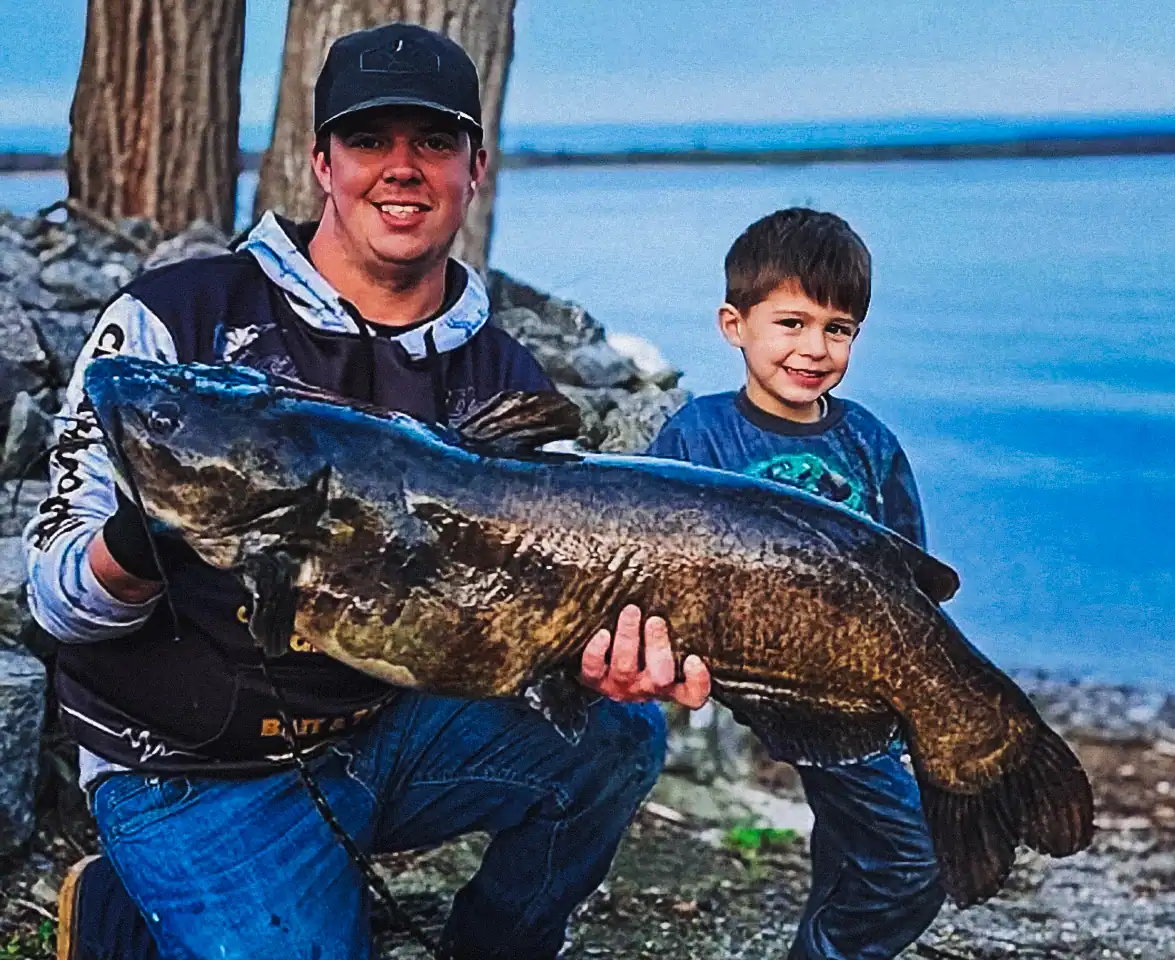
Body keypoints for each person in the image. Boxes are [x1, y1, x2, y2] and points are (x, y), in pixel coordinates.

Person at [26, 23, 710, 960]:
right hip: (186, 763)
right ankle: (129, 907)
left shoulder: (503, 383)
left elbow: (515, 617)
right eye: (368, 140)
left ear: (473, 167)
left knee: (618, 736)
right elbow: (54, 602)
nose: (401, 168)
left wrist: (584, 657)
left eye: (433, 142)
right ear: (320, 162)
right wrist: (143, 542)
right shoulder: (167, 329)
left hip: (383, 724)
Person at [645, 207, 946, 959]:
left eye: (837, 328)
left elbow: (912, 578)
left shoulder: (868, 442)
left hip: (859, 689)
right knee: (915, 862)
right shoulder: (697, 437)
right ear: (733, 324)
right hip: (775, 684)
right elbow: (653, 556)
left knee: (858, 848)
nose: (814, 348)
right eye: (791, 323)